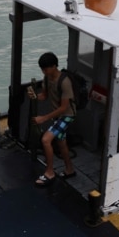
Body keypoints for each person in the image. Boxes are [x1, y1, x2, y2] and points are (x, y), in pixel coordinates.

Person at [28, 52, 76, 187]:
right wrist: (35, 97)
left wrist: (43, 118)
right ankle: (69, 169)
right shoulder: (47, 78)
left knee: (46, 139)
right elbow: (45, 95)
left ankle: (49, 172)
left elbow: (64, 108)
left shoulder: (65, 82)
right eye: (42, 69)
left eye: (46, 68)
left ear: (54, 66)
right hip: (58, 116)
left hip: (67, 116)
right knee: (61, 142)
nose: (44, 71)